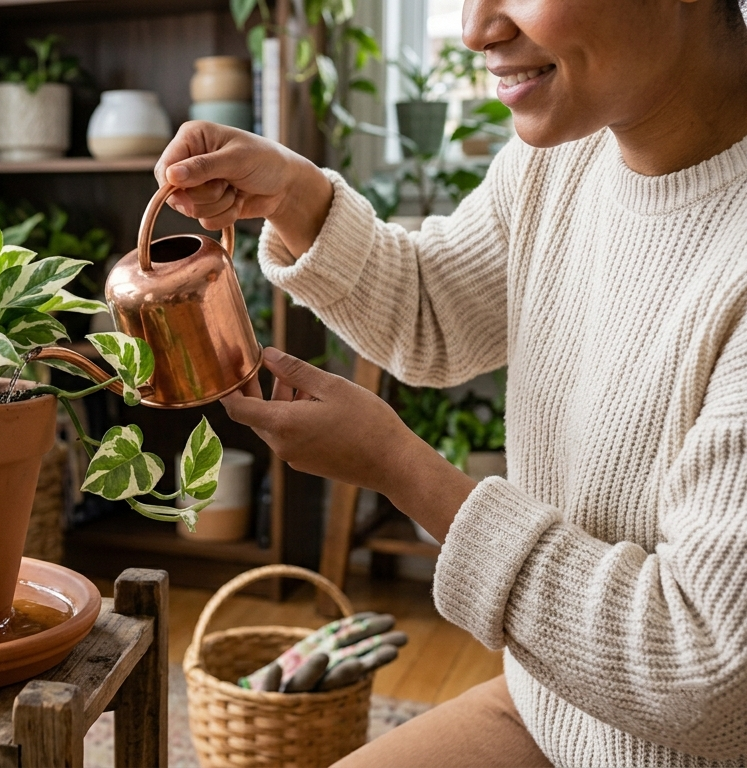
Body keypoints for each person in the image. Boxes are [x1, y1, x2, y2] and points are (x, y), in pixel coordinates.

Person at [156, 0, 747, 765]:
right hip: (553, 712)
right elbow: (436, 313)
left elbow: (705, 673)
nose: (475, 30)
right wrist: (294, 195)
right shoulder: (560, 157)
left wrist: (403, 472)